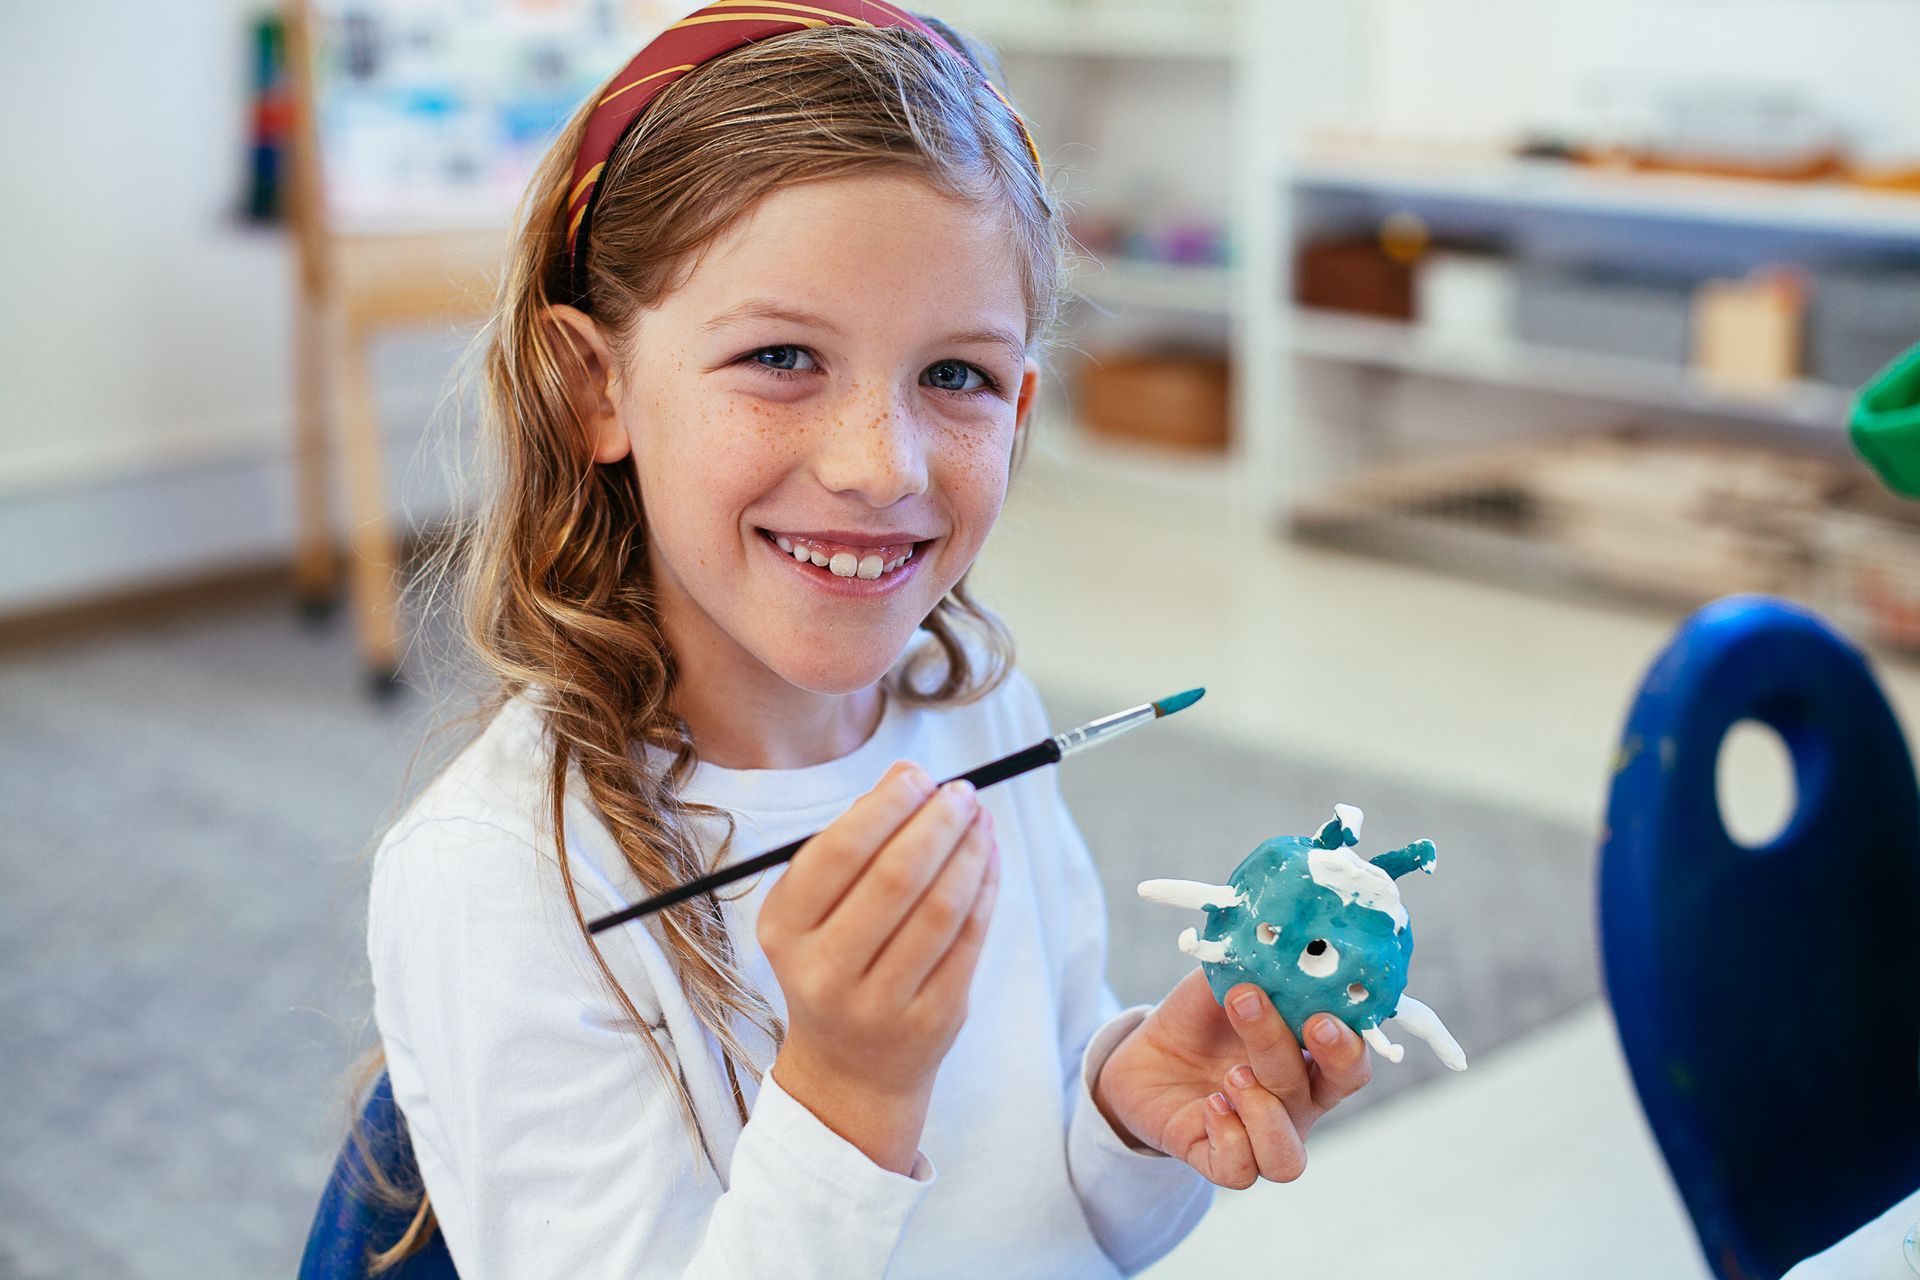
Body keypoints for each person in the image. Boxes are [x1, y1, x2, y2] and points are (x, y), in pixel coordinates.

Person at [360, 4, 1374, 1276]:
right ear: (593, 390)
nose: (878, 465)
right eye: (782, 356)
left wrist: (1131, 1111)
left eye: (956, 377)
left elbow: (1060, 1224)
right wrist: (847, 1093)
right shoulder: (498, 870)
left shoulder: (984, 714)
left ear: (1020, 409)